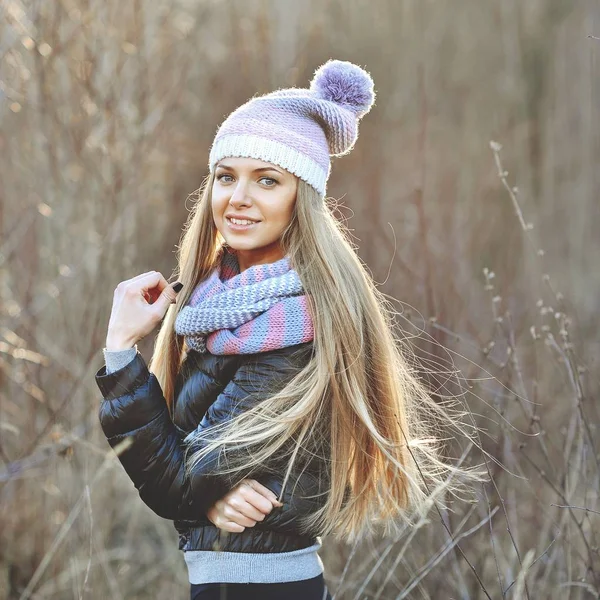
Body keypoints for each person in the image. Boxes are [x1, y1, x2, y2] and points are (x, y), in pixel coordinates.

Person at [95, 59, 484, 600]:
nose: (239, 198)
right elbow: (188, 474)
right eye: (227, 177)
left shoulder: (288, 326)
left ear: (302, 201)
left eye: (268, 181)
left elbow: (174, 483)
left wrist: (120, 350)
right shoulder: (216, 307)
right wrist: (204, 497)